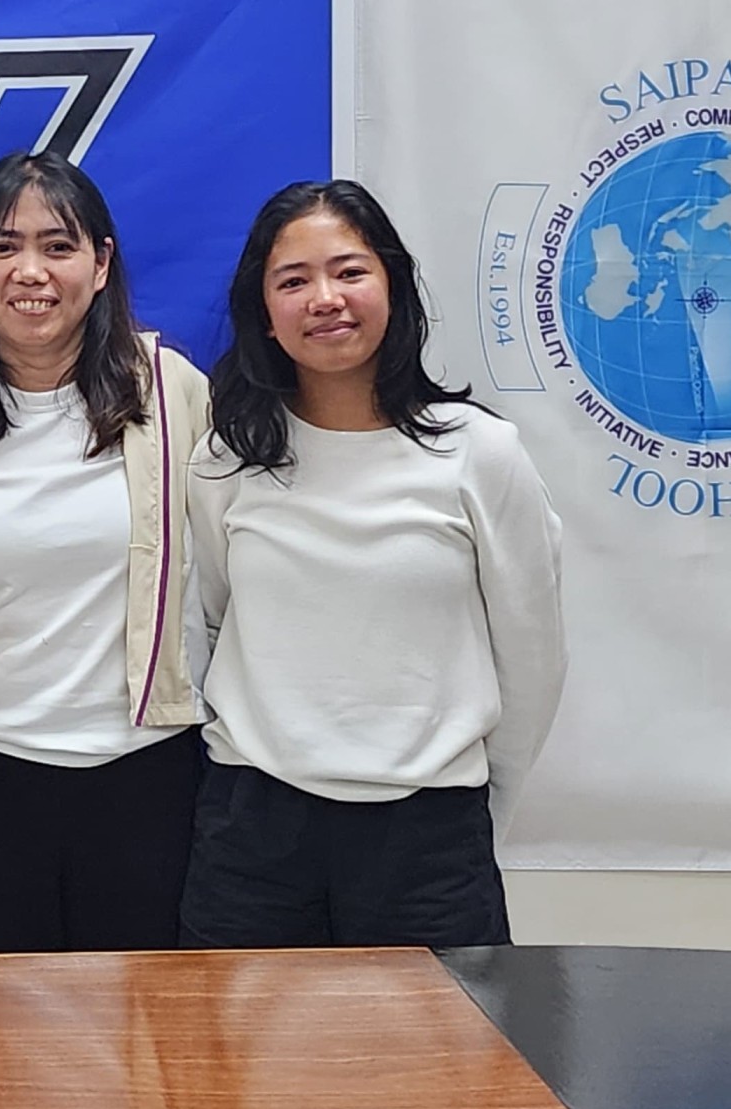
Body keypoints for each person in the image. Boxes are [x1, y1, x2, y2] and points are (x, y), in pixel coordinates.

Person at [181, 178, 565, 951]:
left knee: (447, 1037)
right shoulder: (228, 459)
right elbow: (207, 628)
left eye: (350, 271)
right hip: (254, 839)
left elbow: (532, 655)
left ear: (393, 285)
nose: (325, 298)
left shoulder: (480, 452)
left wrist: (480, 807)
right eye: (294, 281)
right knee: (230, 1039)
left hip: (430, 841)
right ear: (264, 312)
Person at [0, 152, 213, 956]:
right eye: (3, 247)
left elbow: (232, 588)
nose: (31, 272)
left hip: (152, 781)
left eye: (59, 246)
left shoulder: (174, 395)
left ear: (101, 263)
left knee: (152, 1027)